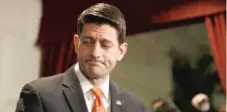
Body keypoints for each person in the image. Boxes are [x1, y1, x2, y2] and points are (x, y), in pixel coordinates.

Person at [15, 3, 149, 112]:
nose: (95, 53)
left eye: (105, 45)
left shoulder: (136, 107)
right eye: (88, 42)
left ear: (121, 51)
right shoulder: (39, 94)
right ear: (76, 44)